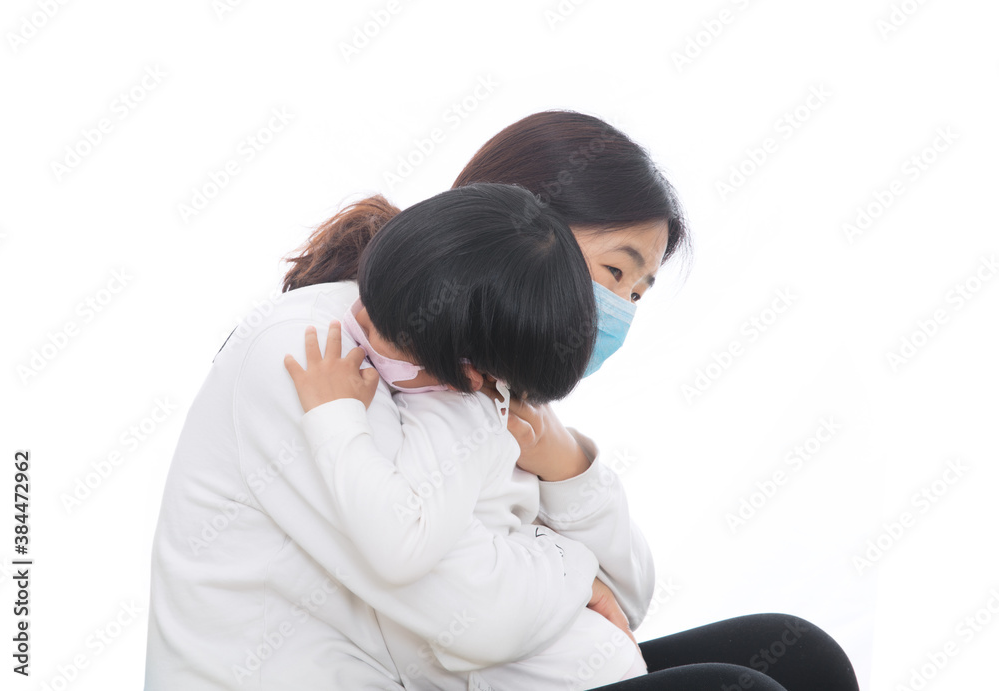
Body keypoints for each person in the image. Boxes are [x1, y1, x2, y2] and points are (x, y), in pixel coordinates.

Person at [146, 110, 860, 690]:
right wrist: (573, 574)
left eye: (638, 293)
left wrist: (569, 463)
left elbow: (629, 596)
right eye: (615, 271)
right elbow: (469, 612)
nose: (618, 309)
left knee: (799, 657)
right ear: (521, 224)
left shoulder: (481, 370)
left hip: (448, 673)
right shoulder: (316, 353)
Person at [282, 182, 648, 689]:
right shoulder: (444, 376)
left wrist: (334, 415)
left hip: (578, 673)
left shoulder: (458, 420)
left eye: (389, 333)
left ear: (468, 374)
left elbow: (401, 546)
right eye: (371, 301)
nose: (359, 325)